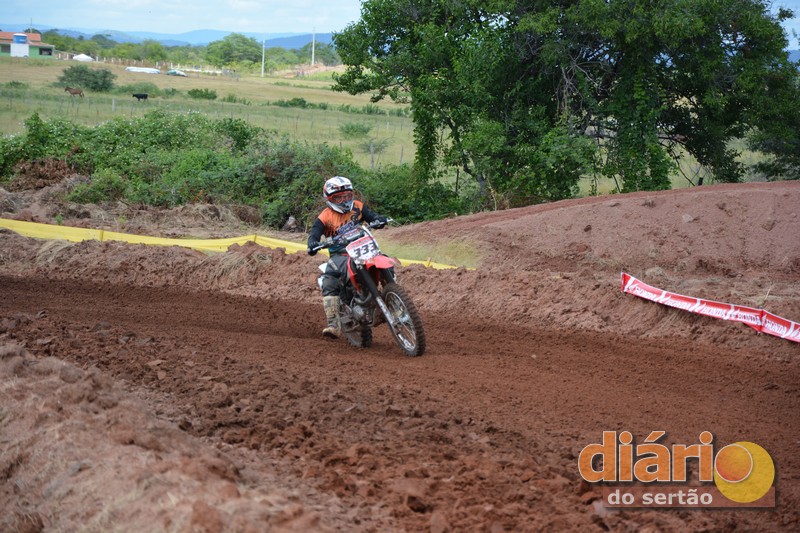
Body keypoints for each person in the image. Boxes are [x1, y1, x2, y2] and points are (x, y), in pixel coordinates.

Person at [307, 176, 388, 338]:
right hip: (340, 254)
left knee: (385, 261)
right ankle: (333, 324)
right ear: (329, 199)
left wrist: (379, 220)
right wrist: (313, 243)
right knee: (329, 279)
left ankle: (392, 300)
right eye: (339, 197)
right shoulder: (325, 216)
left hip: (363, 248)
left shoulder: (358, 206)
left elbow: (372, 217)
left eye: (347, 196)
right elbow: (314, 234)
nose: (344, 200)